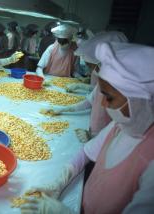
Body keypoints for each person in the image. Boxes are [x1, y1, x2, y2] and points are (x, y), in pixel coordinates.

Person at [21, 42, 154, 214]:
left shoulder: (149, 157)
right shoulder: (119, 126)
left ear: (140, 100)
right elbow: (85, 153)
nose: (103, 103)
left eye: (109, 98)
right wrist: (57, 184)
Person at [41, 31, 128, 143]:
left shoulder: (120, 87)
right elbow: (90, 101)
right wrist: (62, 109)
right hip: (95, 134)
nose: (91, 69)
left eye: (90, 64)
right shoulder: (104, 78)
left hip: (104, 140)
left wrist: (96, 138)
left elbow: (119, 127)